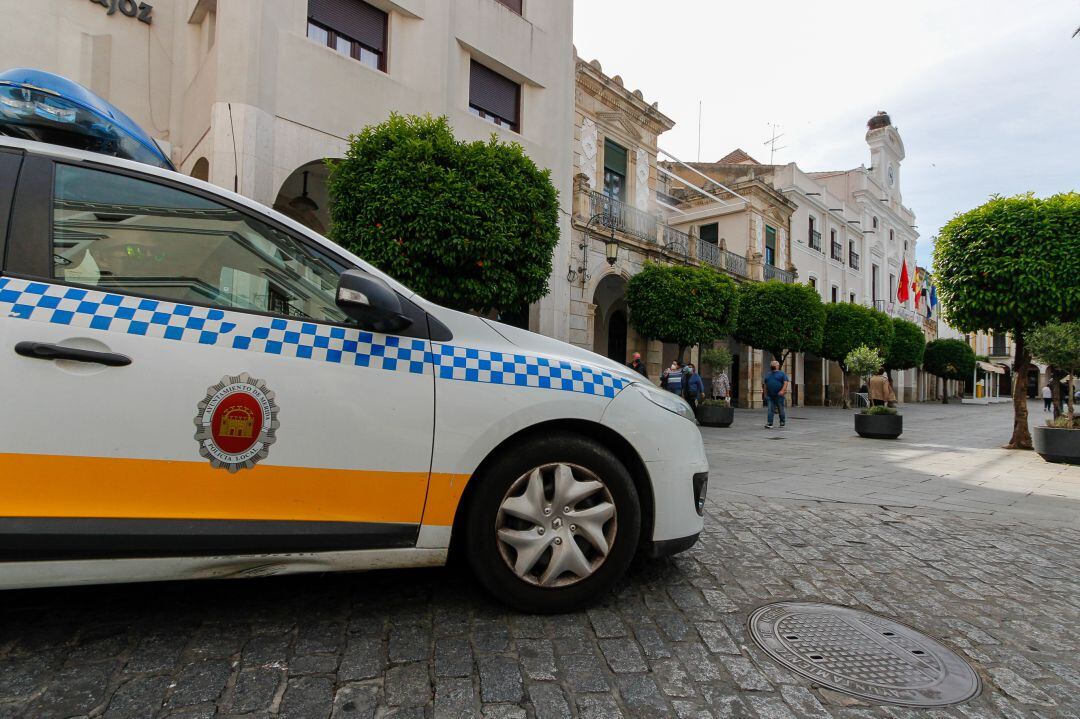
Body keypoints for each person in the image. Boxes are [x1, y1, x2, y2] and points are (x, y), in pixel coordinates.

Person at [762, 360, 790, 428]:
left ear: (778, 366)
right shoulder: (768, 374)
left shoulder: (782, 374)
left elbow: (785, 382)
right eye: (771, 364)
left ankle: (782, 422)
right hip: (770, 395)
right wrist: (765, 393)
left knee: (780, 409)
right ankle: (770, 423)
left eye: (774, 364)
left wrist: (782, 391)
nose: (772, 365)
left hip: (779, 395)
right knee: (770, 409)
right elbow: (765, 385)